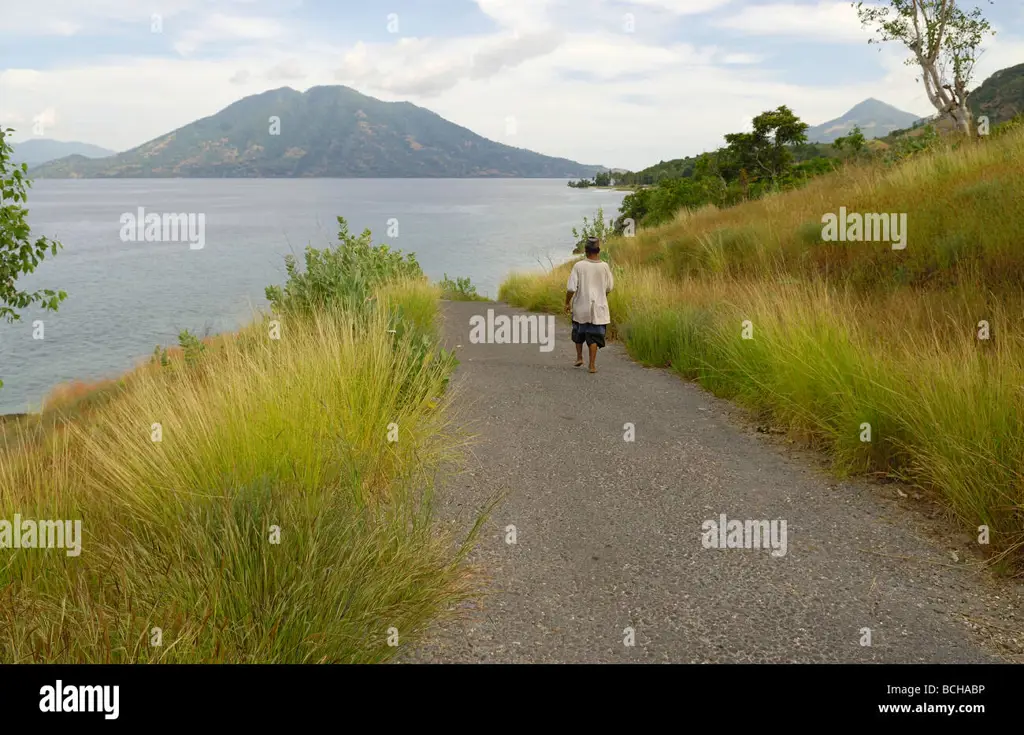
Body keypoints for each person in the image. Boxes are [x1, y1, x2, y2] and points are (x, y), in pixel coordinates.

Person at [564, 236, 614, 373]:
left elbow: (571, 289)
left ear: (586, 250)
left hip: (581, 306)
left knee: (578, 332)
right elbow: (609, 287)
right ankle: (592, 365)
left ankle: (579, 357)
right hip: (599, 307)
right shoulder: (604, 266)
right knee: (594, 336)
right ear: (598, 250)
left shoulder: (579, 266)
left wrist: (567, 303)